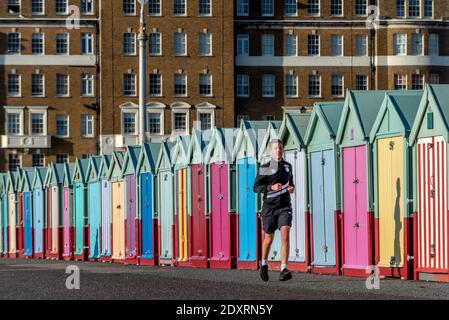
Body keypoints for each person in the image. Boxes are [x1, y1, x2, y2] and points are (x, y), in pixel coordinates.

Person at [253, 138, 295, 282]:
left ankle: (284, 269)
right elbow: (256, 187)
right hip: (269, 208)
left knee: (285, 234)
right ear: (271, 151)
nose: (279, 150)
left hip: (284, 207)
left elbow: (291, 182)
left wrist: (291, 188)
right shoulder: (266, 167)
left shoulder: (288, 166)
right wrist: (271, 187)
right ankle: (263, 264)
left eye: (280, 148)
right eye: (276, 148)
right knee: (269, 238)